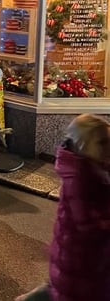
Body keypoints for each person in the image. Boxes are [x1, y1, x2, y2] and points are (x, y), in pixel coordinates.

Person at [15, 114, 110, 301]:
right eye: (105, 144)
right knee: (68, 289)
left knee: (59, 285)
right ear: (90, 145)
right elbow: (90, 223)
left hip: (82, 257)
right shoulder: (81, 179)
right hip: (82, 260)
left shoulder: (88, 167)